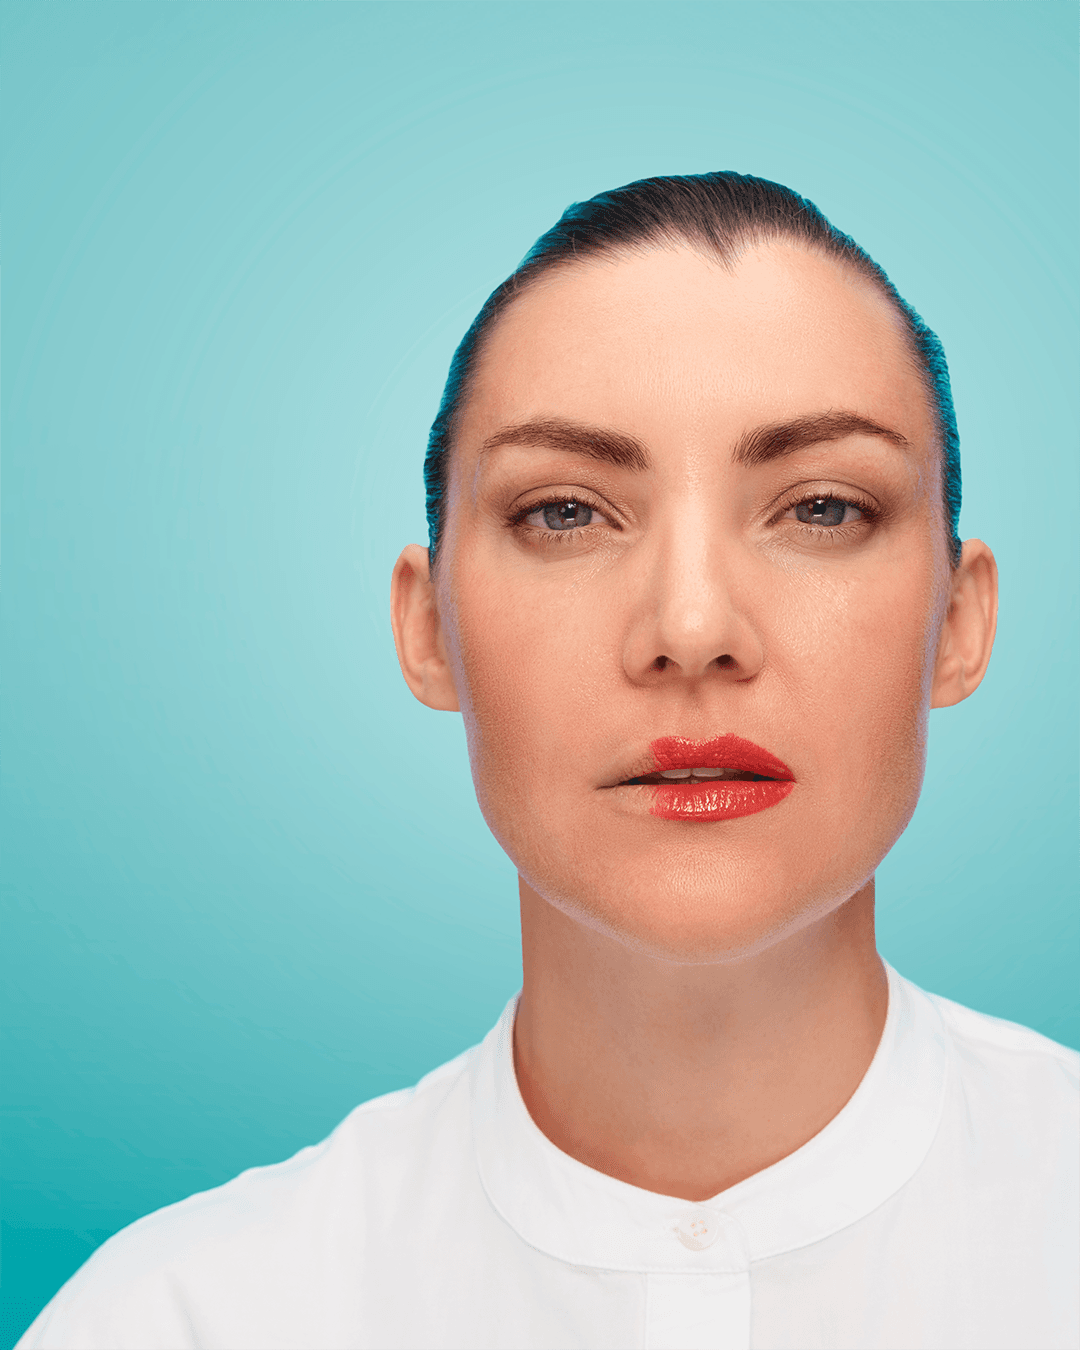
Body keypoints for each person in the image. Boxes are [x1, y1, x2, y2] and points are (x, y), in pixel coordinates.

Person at [18, 172, 1078, 1350]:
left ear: (959, 619)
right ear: (429, 630)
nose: (690, 628)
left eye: (822, 508)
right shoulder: (182, 1319)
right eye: (565, 513)